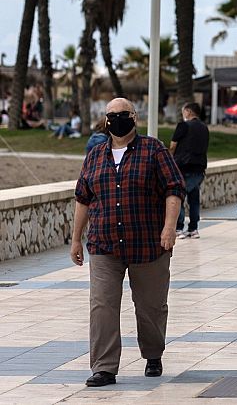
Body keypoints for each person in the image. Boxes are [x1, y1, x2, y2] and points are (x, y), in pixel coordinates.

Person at [70, 98, 185, 387]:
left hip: (148, 244)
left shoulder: (154, 150)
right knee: (102, 306)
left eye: (123, 114)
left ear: (134, 117)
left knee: (150, 307)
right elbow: (83, 199)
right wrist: (75, 240)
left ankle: (153, 354)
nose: (117, 119)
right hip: (104, 244)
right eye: (111, 115)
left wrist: (169, 228)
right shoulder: (95, 155)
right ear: (105, 120)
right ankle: (104, 368)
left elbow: (174, 188)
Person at [169, 103, 210, 239]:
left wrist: (170, 159)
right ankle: (193, 228)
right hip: (199, 168)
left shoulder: (183, 126)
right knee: (194, 199)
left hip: (183, 166)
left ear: (188, 111)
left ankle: (179, 227)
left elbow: (173, 145)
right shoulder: (204, 127)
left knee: (179, 196)